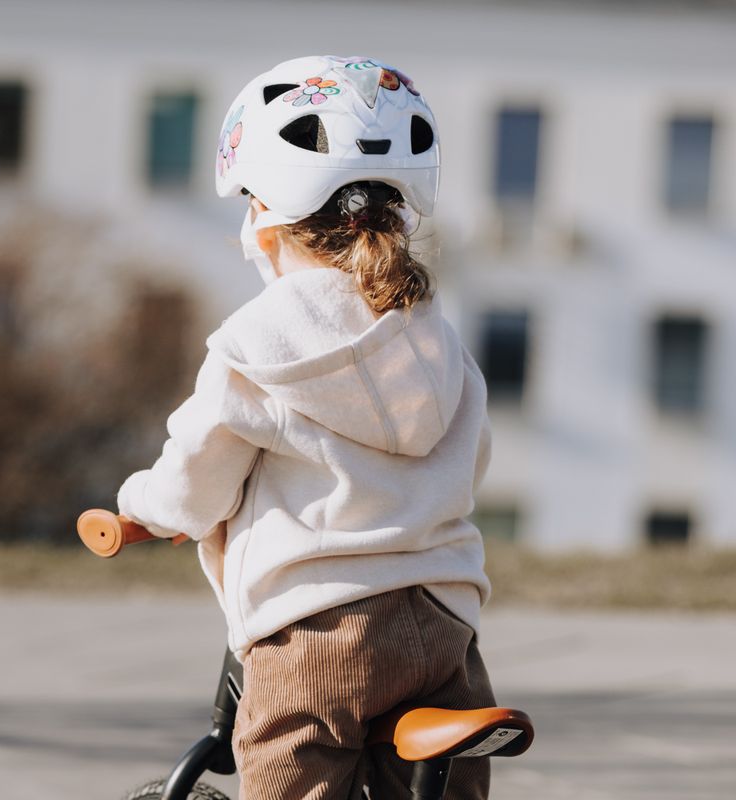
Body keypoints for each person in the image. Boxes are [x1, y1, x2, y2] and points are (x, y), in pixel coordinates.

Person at [117, 55, 496, 800]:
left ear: (264, 219)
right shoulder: (438, 340)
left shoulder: (257, 346)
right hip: (447, 623)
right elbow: (471, 463)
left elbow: (194, 487)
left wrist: (138, 506)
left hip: (319, 634)